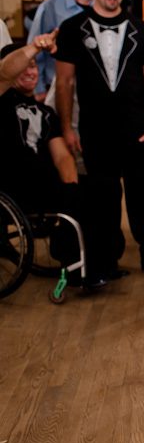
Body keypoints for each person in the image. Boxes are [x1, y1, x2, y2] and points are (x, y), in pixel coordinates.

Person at [55, 0, 144, 281]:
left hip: (138, 130)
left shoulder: (142, 30)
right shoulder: (72, 29)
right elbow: (65, 83)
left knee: (143, 198)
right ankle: (105, 262)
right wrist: (67, 128)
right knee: (102, 202)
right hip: (94, 133)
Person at [0, 36, 98, 288]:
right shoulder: (2, 102)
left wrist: (71, 185)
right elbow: (4, 73)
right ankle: (78, 267)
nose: (30, 71)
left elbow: (62, 155)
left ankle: (92, 265)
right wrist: (34, 46)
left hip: (44, 186)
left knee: (100, 190)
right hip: (12, 188)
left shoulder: (47, 112)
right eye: (24, 66)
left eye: (34, 65)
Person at [26, 0, 95, 102]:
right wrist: (38, 89)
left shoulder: (102, 11)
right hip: (55, 88)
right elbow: (34, 50)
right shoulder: (50, 8)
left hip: (90, 92)